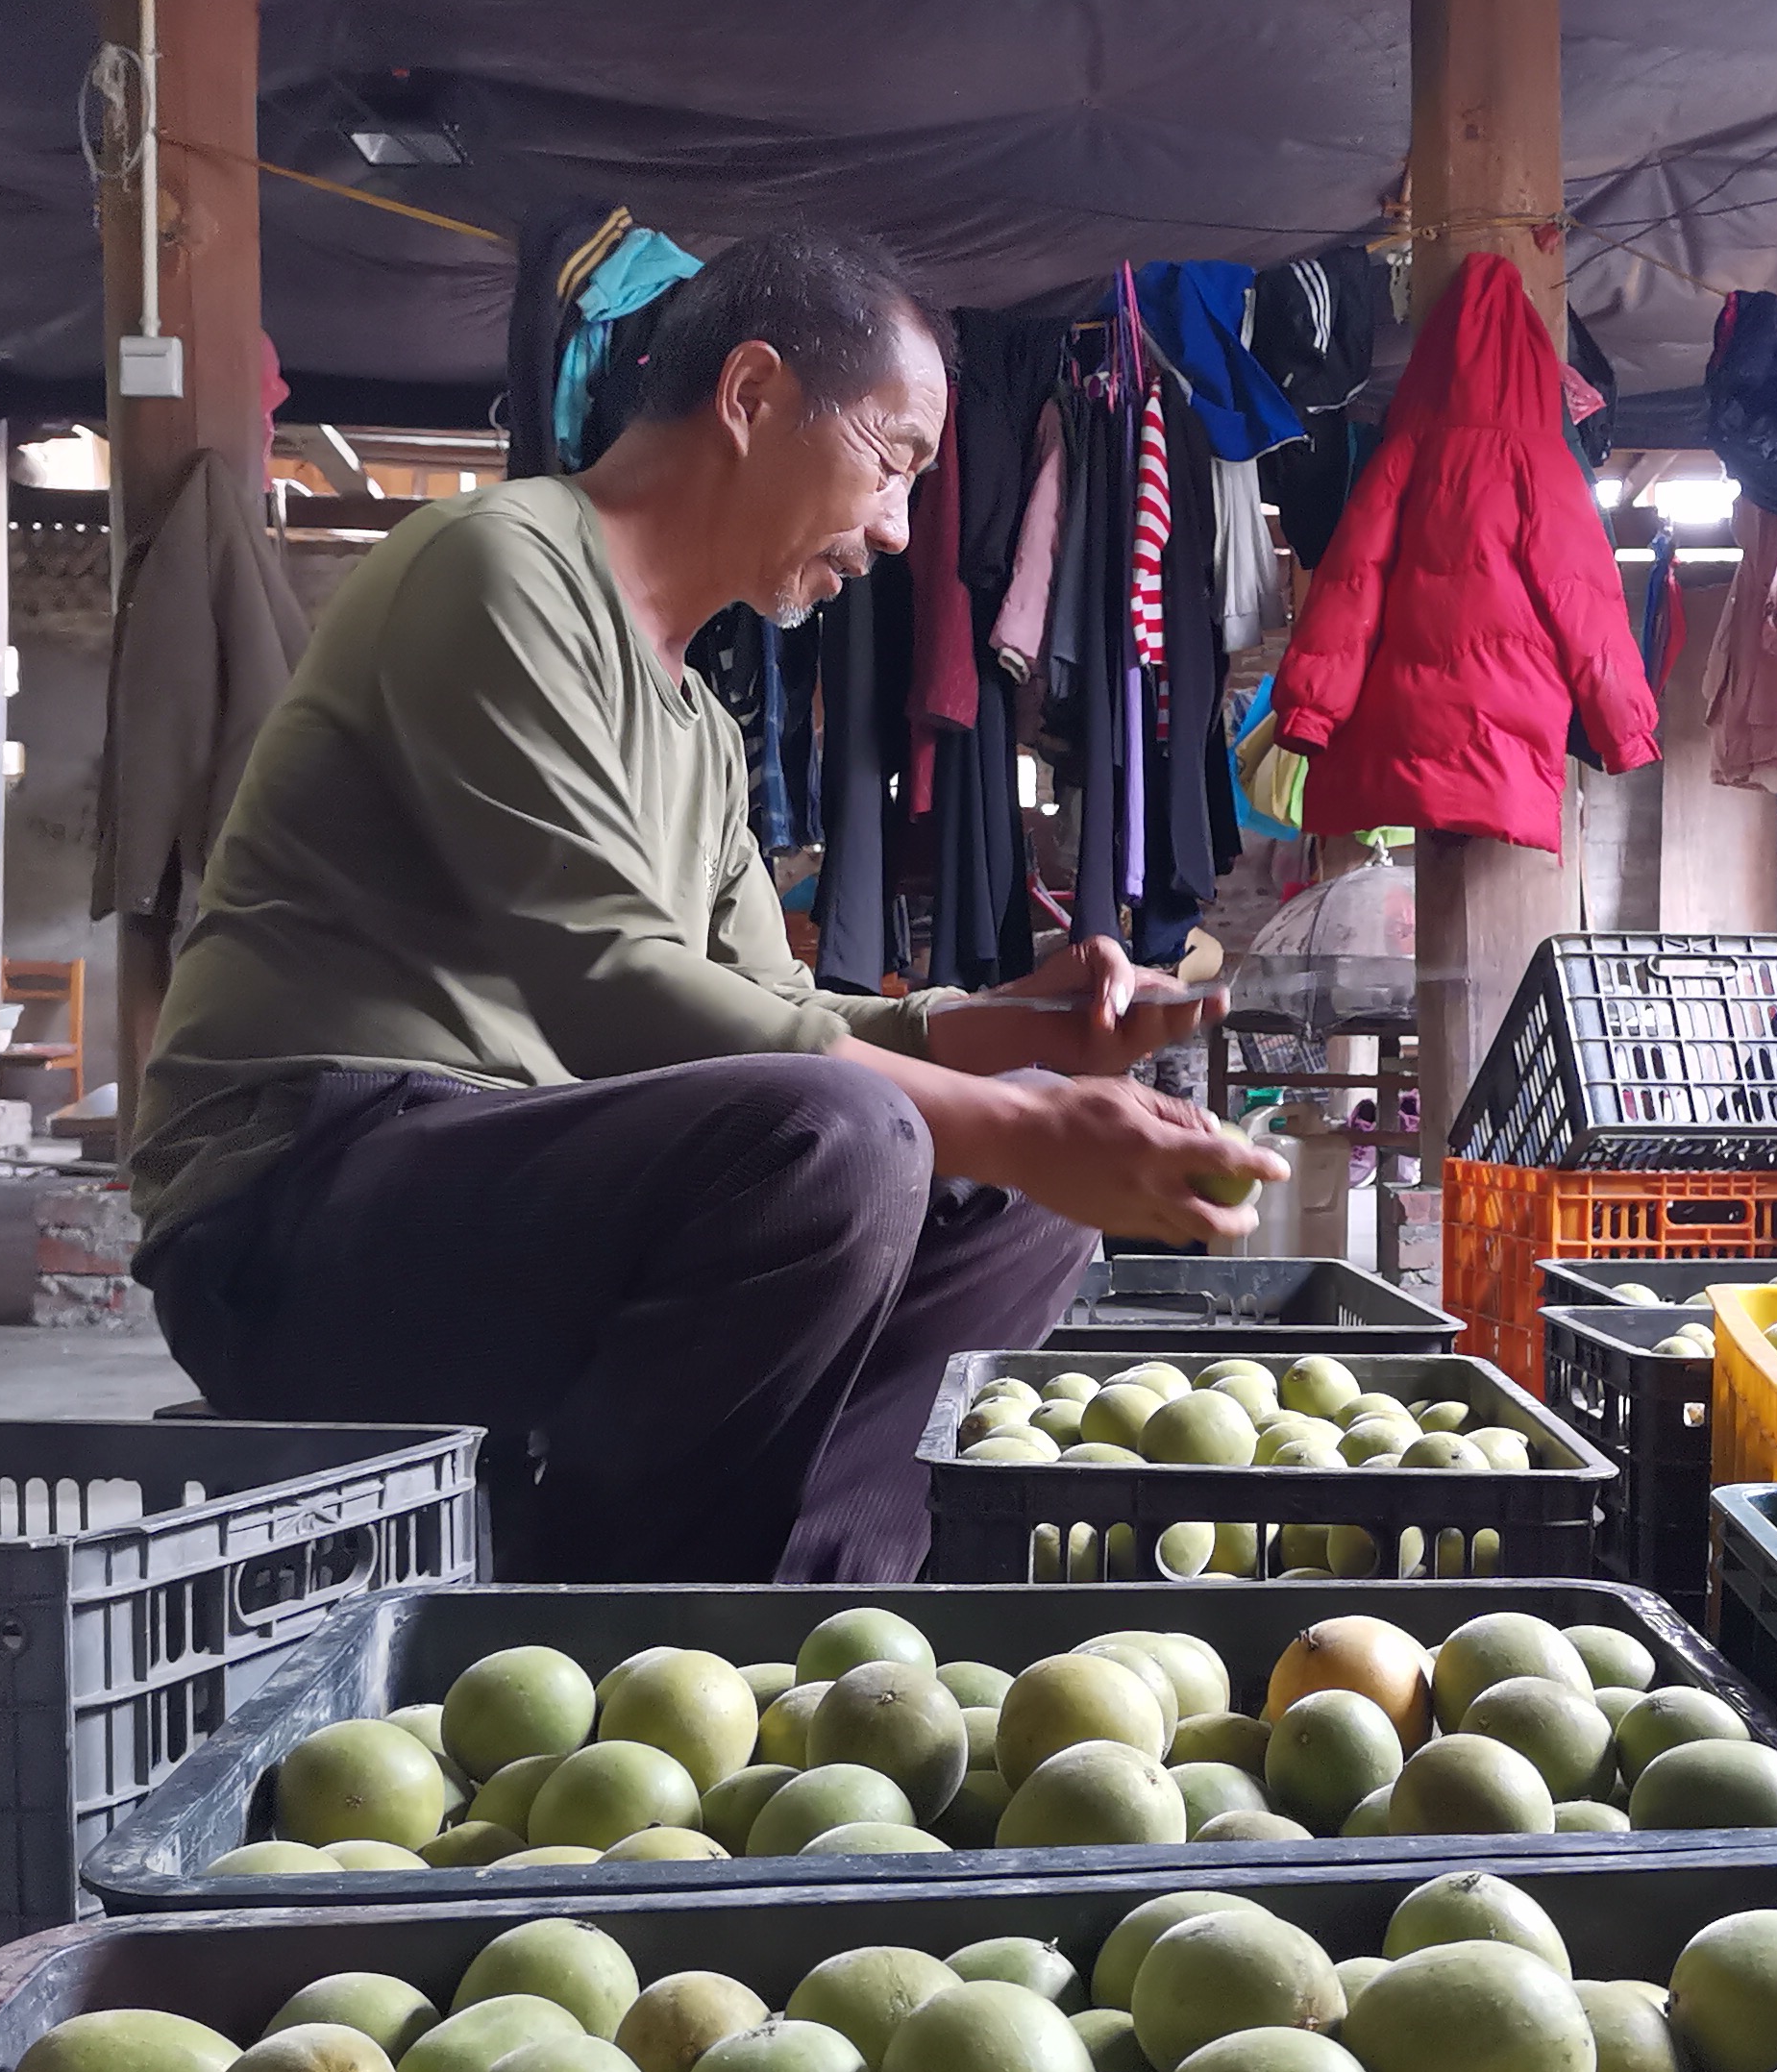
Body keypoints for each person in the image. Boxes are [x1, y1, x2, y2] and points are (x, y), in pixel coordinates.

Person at [130, 230, 1281, 1583]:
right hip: (289, 1213)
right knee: (849, 1140)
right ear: (750, 396)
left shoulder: (695, 725)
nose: (903, 528)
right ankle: (618, 1619)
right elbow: (613, 988)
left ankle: (809, 1618)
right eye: (897, 460)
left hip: (507, 1177)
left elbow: (773, 1014)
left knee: (1012, 1205)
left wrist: (1011, 1031)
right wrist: (1012, 1119)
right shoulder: (498, 566)